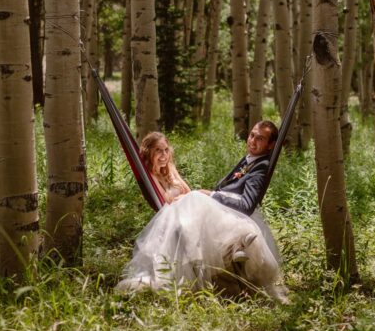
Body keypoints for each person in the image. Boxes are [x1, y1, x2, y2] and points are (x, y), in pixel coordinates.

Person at [115, 122, 287, 301]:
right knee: (190, 213)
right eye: (252, 135)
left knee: (195, 199)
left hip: (230, 210)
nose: (252, 141)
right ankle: (217, 258)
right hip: (188, 209)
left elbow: (246, 204)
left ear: (271, 145)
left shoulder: (260, 166)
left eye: (260, 138)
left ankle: (236, 245)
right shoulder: (250, 160)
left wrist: (209, 195)